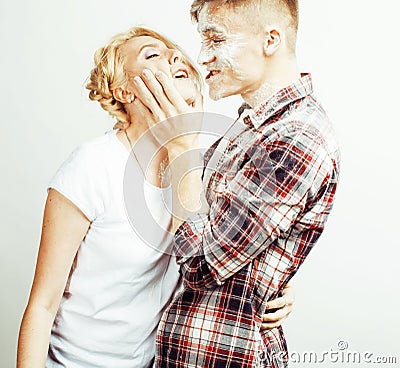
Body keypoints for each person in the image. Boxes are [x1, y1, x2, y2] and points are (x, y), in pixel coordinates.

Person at [17, 26, 294, 368]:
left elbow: (217, 257)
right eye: (152, 55)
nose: (176, 56)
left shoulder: (207, 161)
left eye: (174, 52)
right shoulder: (92, 167)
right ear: (124, 92)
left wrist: (274, 288)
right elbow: (42, 307)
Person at [127, 1, 340, 367]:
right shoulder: (254, 124)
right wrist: (266, 275)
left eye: (215, 39)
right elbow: (217, 226)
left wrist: (180, 147)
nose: (202, 57)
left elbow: (200, 265)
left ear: (270, 40)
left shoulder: (295, 138)